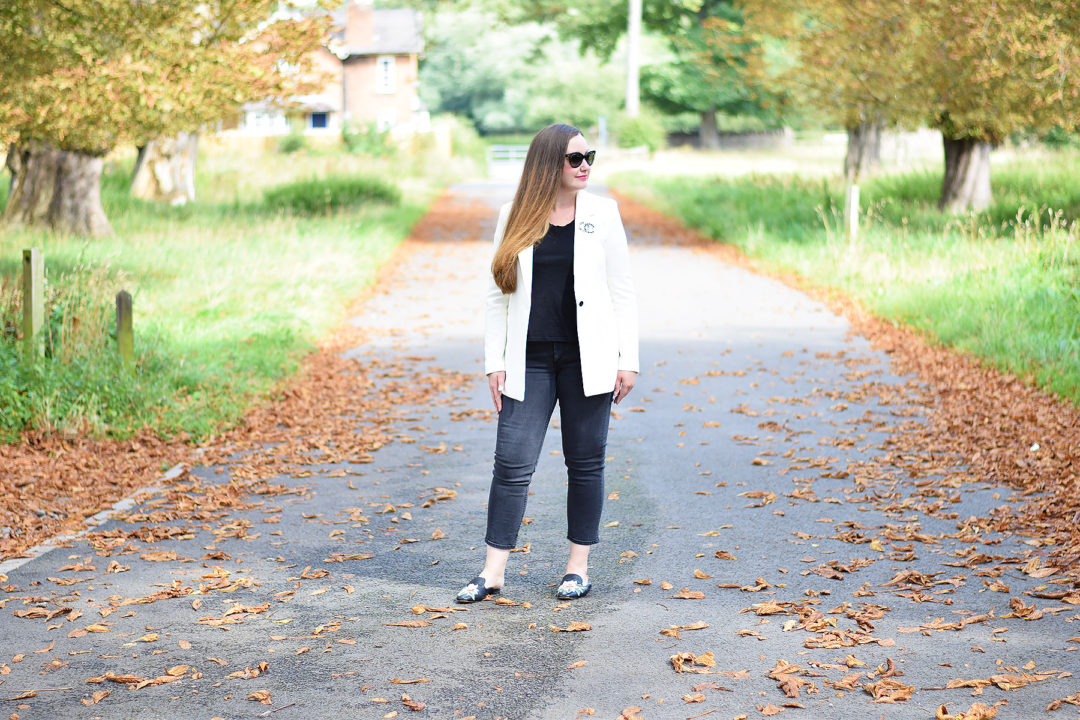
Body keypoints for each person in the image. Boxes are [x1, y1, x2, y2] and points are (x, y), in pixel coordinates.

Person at [456, 123, 639, 603]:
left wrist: (629, 359)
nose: (585, 167)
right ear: (548, 164)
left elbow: (623, 292)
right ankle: (492, 572)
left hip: (589, 359)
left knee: (585, 464)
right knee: (512, 464)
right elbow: (499, 294)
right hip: (529, 358)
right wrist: (494, 361)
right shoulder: (514, 215)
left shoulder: (604, 213)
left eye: (589, 157)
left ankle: (577, 568)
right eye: (575, 159)